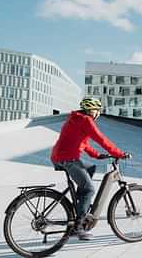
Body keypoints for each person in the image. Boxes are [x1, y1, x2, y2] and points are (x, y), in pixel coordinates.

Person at [50, 98, 130, 240]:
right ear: (93, 110)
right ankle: (79, 227)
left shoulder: (75, 119)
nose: (98, 114)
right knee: (89, 189)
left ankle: (81, 206)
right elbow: (101, 139)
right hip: (68, 159)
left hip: (60, 156)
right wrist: (119, 153)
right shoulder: (86, 121)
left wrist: (97, 155)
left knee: (90, 168)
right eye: (98, 111)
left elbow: (83, 143)